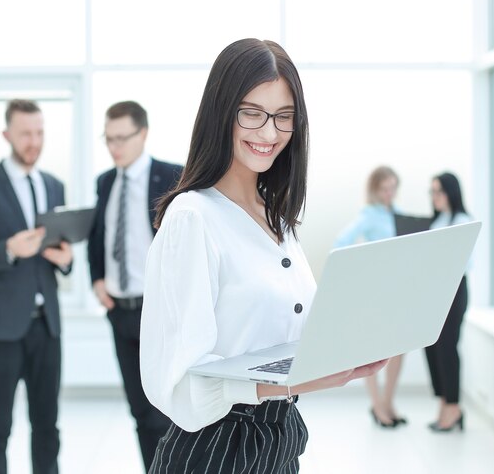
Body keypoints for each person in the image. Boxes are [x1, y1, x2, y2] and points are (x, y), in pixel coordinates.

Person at [139, 38, 388, 473]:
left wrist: (356, 333)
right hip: (215, 450)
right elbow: (180, 383)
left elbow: (289, 332)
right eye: (252, 114)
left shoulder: (277, 219)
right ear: (221, 113)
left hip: (279, 441)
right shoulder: (192, 217)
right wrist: (296, 380)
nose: (269, 133)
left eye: (283, 117)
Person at [0, 99, 73, 474]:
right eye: (26, 133)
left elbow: (62, 248)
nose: (34, 141)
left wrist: (67, 261)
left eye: (40, 132)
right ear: (7, 135)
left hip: (47, 326)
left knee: (48, 426)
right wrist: (8, 250)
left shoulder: (53, 185)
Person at [87, 101, 183, 471]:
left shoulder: (173, 176)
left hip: (158, 311)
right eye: (108, 140)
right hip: (120, 312)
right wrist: (96, 278)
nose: (115, 147)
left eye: (122, 138)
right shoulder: (106, 181)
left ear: (142, 133)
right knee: (140, 412)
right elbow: (100, 236)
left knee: (169, 410)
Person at [334, 166, 407, 428]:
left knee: (399, 349)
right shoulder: (369, 215)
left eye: (393, 188)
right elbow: (341, 242)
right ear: (375, 189)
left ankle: (388, 402)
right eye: (384, 188)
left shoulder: (397, 214)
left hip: (399, 289)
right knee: (375, 350)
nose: (389, 193)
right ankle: (377, 406)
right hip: (377, 290)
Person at [425, 171, 473, 432]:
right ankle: (444, 403)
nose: (434, 197)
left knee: (447, 348)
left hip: (454, 291)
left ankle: (453, 408)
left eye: (438, 192)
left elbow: (465, 261)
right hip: (434, 292)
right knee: (432, 347)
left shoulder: (462, 220)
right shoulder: (438, 220)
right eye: (431, 192)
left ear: (451, 193)